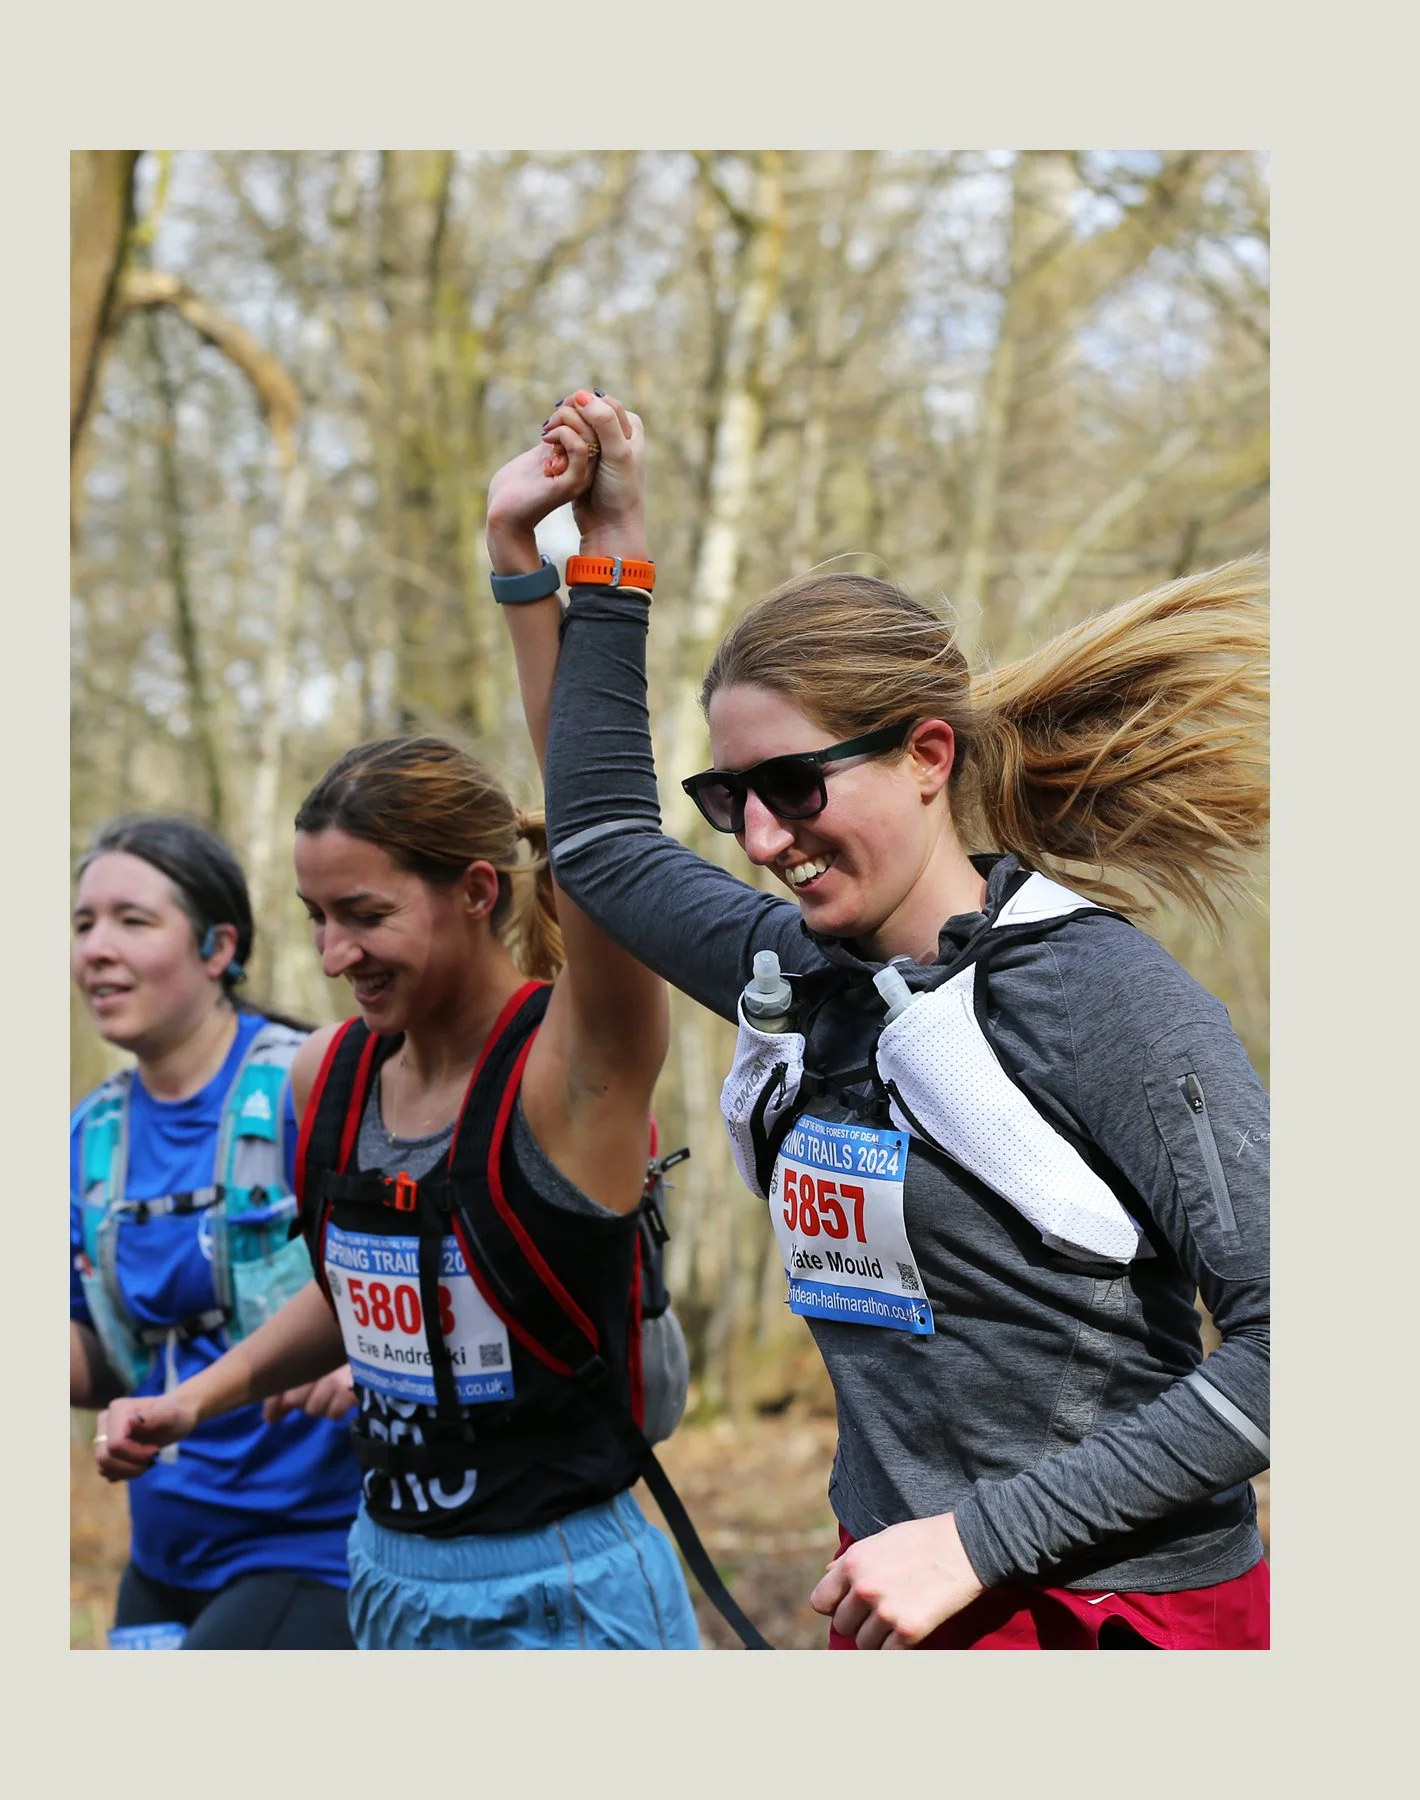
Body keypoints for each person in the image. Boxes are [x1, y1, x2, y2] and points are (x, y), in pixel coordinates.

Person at [500, 387, 1270, 1650]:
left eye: (795, 786)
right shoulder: (794, 968)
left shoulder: (1099, 998)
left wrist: (977, 1540)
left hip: (1126, 1615)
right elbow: (597, 843)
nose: (760, 841)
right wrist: (598, 548)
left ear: (926, 755)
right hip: (906, 1600)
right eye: (728, 794)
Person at [92, 532, 704, 1649]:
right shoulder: (323, 1080)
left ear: (477, 891)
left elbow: (602, 824)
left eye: (365, 917)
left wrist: (542, 576)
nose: (333, 956)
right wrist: (194, 1402)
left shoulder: (571, 1074)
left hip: (566, 1589)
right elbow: (365, 1294)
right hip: (384, 1571)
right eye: (317, 918)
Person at [71, 816, 361, 1649]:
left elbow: (430, 1262)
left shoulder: (315, 1082)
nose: (96, 948)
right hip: (164, 1554)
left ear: (215, 947)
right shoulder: (91, 1139)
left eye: (132, 920)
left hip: (317, 1547)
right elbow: (101, 1356)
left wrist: (362, 1348)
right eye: (83, 923)